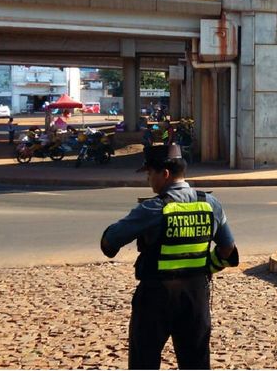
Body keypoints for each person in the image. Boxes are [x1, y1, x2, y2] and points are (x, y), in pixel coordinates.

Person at [100, 144, 239, 369]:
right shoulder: (210, 203)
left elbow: (109, 243)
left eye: (149, 173)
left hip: (155, 297)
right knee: (196, 362)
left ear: (164, 174)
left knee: (144, 361)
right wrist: (206, 267)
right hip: (195, 297)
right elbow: (228, 250)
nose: (148, 178)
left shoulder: (152, 208)